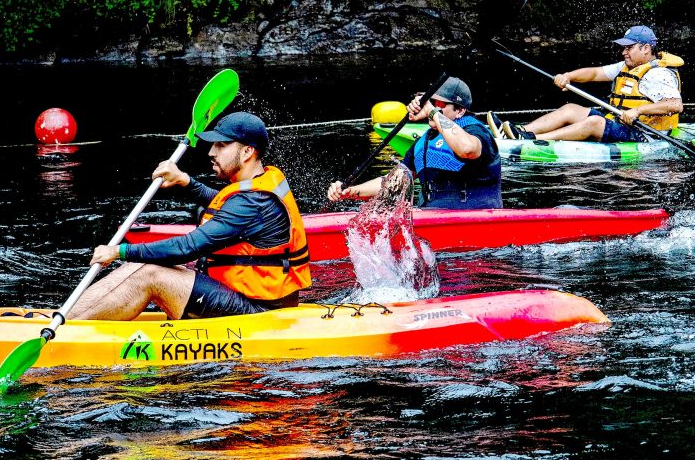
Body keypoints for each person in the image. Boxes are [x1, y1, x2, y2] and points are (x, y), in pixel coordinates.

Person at [70, 112, 311, 322]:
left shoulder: (252, 203)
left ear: (247, 151)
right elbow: (225, 203)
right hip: (253, 299)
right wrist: (185, 181)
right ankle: (69, 317)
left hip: (258, 312)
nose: (211, 152)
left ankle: (67, 326)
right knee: (149, 265)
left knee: (148, 273)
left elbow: (189, 247)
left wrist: (119, 252)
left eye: (221, 145)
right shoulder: (257, 184)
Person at [328, 76, 502, 209]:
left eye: (440, 103)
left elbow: (467, 149)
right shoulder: (423, 143)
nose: (432, 107)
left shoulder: (477, 132)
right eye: (430, 102)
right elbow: (393, 183)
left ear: (460, 110)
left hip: (478, 218)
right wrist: (351, 192)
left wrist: (433, 112)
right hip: (435, 219)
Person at [500, 25, 684, 143]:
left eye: (629, 48)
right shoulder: (626, 66)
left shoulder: (659, 74)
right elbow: (595, 73)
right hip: (622, 124)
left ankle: (530, 139)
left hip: (646, 134)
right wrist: (568, 76)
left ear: (646, 48)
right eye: (623, 48)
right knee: (571, 108)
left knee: (595, 122)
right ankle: (519, 130)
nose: (624, 52)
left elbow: (675, 105)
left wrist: (638, 111)